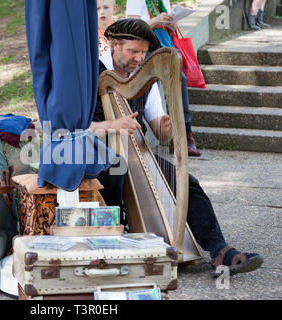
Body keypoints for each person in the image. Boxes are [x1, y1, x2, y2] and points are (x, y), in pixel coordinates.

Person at [89, 18, 264, 277]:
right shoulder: (91, 74)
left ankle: (220, 250)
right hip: (96, 156)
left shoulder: (143, 81)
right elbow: (76, 129)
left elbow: (159, 132)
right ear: (115, 45)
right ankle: (114, 246)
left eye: (143, 53)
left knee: (186, 182)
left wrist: (167, 128)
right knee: (117, 171)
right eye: (133, 51)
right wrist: (113, 125)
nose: (139, 59)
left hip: (136, 156)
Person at [126, 0, 202, 157]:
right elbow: (131, 29)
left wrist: (171, 25)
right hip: (144, 49)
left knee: (179, 78)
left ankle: (184, 135)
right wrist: (155, 21)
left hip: (163, 46)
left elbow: (166, 24)